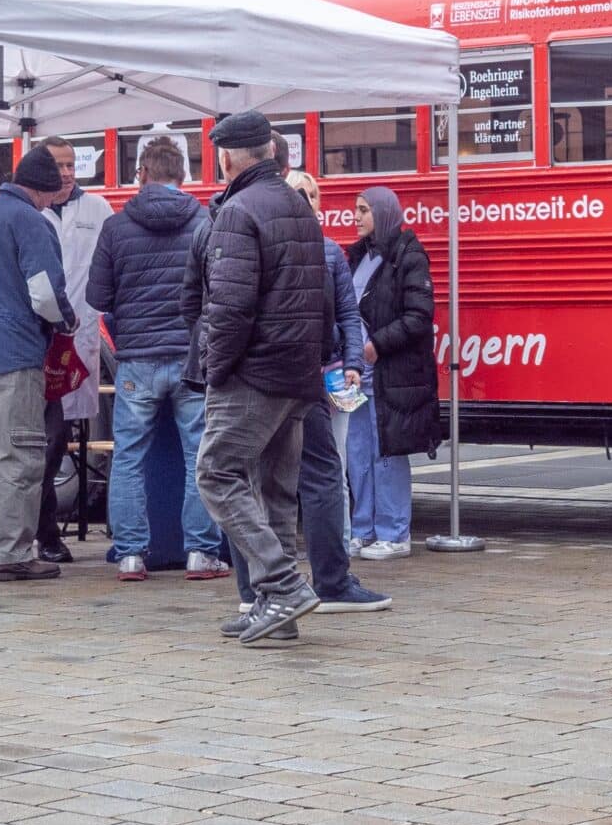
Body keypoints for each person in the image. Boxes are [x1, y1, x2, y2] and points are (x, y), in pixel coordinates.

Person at [186, 110, 330, 645]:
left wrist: (215, 368)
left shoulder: (237, 210)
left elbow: (228, 306)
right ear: (268, 151)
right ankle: (278, 610)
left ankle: (282, 584)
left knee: (217, 473)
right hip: (297, 372)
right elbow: (323, 297)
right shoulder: (297, 205)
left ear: (227, 156)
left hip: (253, 371)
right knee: (275, 488)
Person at [225, 161, 386, 617]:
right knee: (257, 479)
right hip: (274, 377)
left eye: (312, 195)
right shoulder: (269, 243)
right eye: (299, 194)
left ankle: (324, 580)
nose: (306, 202)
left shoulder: (330, 252)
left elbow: (348, 314)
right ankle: (258, 588)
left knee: (316, 474)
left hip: (310, 375)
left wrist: (352, 360)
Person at [86, 129, 228, 580]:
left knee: (128, 455)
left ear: (143, 174)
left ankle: (129, 553)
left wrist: (128, 324)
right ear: (183, 175)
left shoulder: (115, 227)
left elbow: (98, 295)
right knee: (198, 456)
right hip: (191, 357)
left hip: (137, 359)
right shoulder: (205, 223)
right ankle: (201, 553)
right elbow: (219, 290)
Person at [0, 147, 75, 582]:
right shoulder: (30, 219)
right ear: (41, 188)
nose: (51, 203)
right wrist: (65, 320)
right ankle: (11, 552)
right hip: (13, 350)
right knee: (21, 453)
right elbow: (44, 292)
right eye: (50, 194)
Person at [347, 183, 436, 558]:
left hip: (389, 374)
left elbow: (419, 316)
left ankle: (394, 533)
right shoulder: (357, 256)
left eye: (364, 210)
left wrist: (376, 344)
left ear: (383, 213)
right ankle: (363, 528)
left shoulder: (407, 257)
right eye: (355, 209)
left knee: (386, 453)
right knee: (358, 455)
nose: (356, 216)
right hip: (357, 376)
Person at [38, 134, 112, 564]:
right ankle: (45, 531)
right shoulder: (32, 211)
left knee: (57, 439)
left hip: (77, 345)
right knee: (42, 443)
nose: (66, 173)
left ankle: (47, 531)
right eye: (58, 166)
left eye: (71, 165)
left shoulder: (98, 209)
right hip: (37, 343)